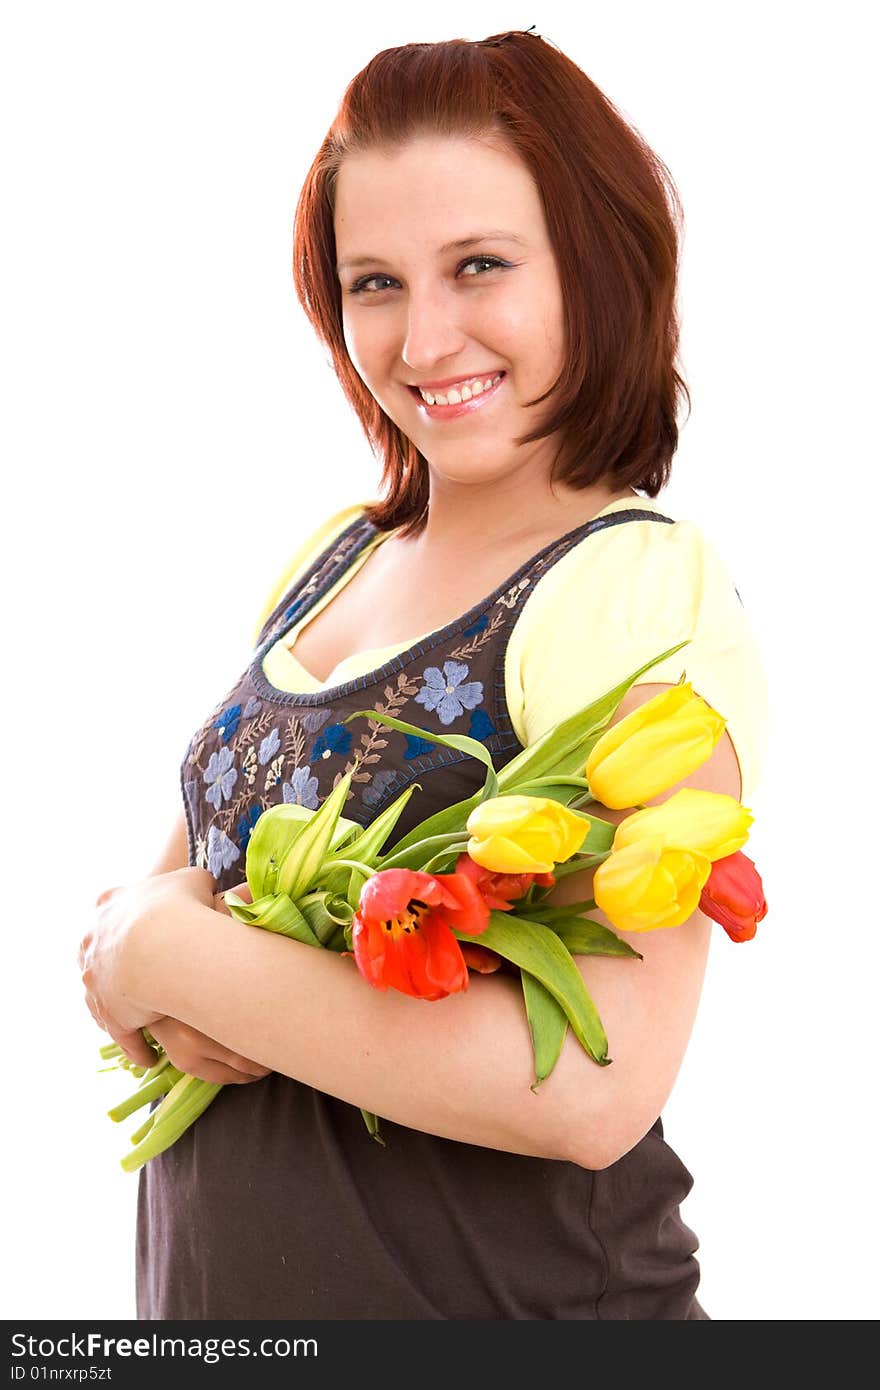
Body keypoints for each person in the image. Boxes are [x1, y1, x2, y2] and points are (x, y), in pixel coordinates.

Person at [80, 30, 768, 1320]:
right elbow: (152, 922)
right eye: (376, 281)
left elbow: (590, 1086)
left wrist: (159, 951)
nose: (424, 336)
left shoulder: (631, 587)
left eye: (483, 267)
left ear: (598, 271)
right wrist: (146, 955)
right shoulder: (332, 561)